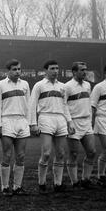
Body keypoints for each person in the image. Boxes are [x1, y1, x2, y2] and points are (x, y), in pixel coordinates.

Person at [29, 60, 75, 194]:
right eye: (52, 68)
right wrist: (33, 123)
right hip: (45, 117)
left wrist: (69, 121)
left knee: (61, 153)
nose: (55, 71)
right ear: (46, 70)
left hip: (60, 118)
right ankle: (42, 183)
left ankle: (58, 183)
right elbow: (32, 105)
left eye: (57, 68)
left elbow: (65, 105)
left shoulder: (63, 87)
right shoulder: (39, 85)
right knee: (47, 153)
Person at [0, 59, 31, 196]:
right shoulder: (1, 85)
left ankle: (17, 186)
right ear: (8, 71)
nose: (17, 72)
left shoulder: (25, 84)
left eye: (19, 69)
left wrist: (29, 122)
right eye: (14, 69)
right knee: (7, 155)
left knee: (21, 156)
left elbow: (29, 105)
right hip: (7, 120)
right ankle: (5, 187)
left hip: (22, 121)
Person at [64, 62, 97, 189]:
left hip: (86, 122)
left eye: (86, 70)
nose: (85, 72)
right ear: (74, 72)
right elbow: (64, 105)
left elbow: (88, 104)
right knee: (73, 154)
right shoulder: (67, 87)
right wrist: (69, 122)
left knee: (92, 152)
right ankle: (75, 182)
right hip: (74, 122)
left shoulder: (88, 85)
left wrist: (91, 119)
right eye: (82, 70)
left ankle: (86, 179)